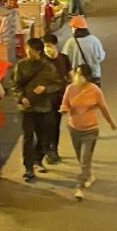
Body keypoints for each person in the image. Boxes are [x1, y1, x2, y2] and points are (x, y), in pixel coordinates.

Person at [60, 64, 116, 200]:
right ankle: (88, 174)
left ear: (87, 77)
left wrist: (111, 122)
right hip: (74, 128)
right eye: (76, 73)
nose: (77, 77)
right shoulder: (70, 89)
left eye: (80, 75)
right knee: (81, 157)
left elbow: (103, 107)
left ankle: (79, 187)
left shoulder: (95, 91)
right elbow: (65, 103)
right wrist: (64, 109)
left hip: (90, 130)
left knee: (85, 158)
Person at [11, 38, 60, 183]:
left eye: (30, 50)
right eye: (27, 49)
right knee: (28, 137)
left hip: (43, 107)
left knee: (43, 136)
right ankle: (28, 168)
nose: (27, 52)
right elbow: (15, 85)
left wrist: (46, 89)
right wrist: (21, 97)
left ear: (38, 51)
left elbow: (58, 84)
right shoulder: (21, 66)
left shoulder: (48, 67)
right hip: (26, 108)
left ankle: (38, 159)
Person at [42, 34, 72, 163]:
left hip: (59, 98)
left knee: (55, 124)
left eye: (49, 46)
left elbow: (70, 77)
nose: (47, 49)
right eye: (45, 46)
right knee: (47, 124)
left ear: (55, 45)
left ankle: (54, 149)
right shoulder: (41, 60)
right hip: (45, 98)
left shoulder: (64, 59)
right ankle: (47, 150)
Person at [62, 16, 106, 86]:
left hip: (77, 77)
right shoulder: (94, 40)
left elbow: (64, 59)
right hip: (93, 75)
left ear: (75, 28)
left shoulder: (70, 43)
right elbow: (100, 57)